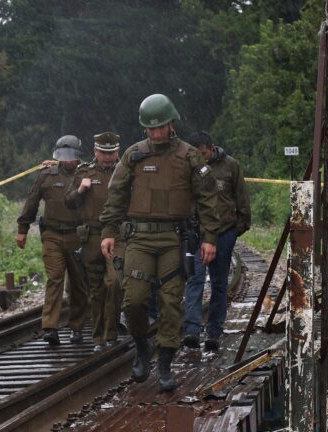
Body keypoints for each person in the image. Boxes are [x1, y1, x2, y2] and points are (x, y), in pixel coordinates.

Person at [100, 94, 221, 392]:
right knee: (135, 299)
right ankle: (143, 346)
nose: (156, 134)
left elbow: (207, 197)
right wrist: (108, 230)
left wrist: (210, 238)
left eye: (160, 128)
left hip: (174, 238)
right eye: (150, 129)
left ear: (171, 124)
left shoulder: (190, 156)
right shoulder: (133, 155)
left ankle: (165, 360)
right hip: (139, 238)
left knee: (170, 302)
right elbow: (115, 194)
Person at [17, 135, 89, 346]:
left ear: (78, 156)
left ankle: (77, 327)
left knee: (78, 284)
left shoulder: (87, 174)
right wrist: (22, 229)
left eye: (71, 157)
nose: (67, 161)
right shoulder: (46, 175)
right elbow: (31, 202)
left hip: (77, 236)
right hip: (52, 235)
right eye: (63, 156)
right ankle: (50, 327)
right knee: (55, 278)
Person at [182, 131, 250, 351]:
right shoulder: (187, 167)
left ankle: (214, 331)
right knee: (194, 280)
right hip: (196, 234)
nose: (200, 158)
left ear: (211, 148)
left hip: (223, 233)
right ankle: (191, 330)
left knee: (219, 283)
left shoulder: (231, 166)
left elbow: (242, 199)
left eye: (203, 153)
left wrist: (235, 231)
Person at [65, 132, 124, 352]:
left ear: (118, 151)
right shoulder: (84, 172)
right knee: (96, 289)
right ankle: (98, 337)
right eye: (103, 153)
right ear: (95, 152)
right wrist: (81, 189)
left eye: (112, 153)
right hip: (91, 237)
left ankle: (112, 332)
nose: (108, 157)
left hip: (118, 236)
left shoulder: (125, 172)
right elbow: (69, 202)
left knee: (115, 283)